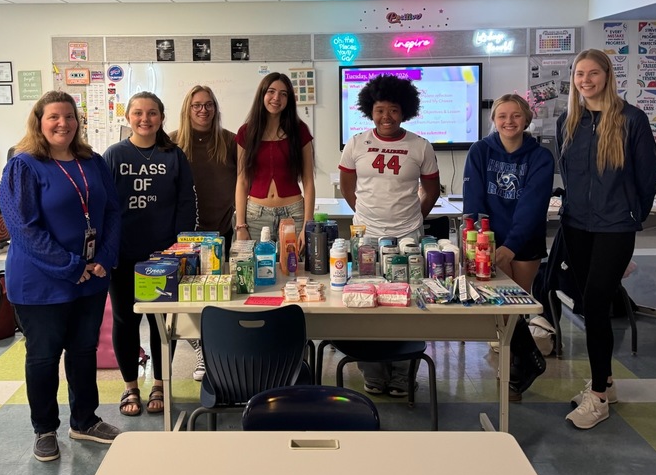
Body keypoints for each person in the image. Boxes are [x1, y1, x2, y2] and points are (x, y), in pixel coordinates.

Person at [0, 91, 122, 463]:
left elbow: (113, 212)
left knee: (84, 350)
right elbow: (23, 228)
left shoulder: (93, 162)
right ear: (39, 121)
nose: (63, 124)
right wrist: (72, 265)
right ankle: (45, 429)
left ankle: (85, 419)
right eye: (54, 117)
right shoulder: (24, 166)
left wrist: (103, 257)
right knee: (43, 355)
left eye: (69, 117)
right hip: (41, 281)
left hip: (92, 276)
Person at [558, 49, 656, 430]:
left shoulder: (632, 119)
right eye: (580, 74)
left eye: (593, 73)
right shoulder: (570, 121)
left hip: (615, 227)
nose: (586, 80)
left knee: (599, 300)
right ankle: (607, 382)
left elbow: (649, 176)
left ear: (607, 75)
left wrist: (634, 214)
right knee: (587, 304)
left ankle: (598, 396)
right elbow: (569, 176)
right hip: (577, 226)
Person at [338, 74, 440, 396]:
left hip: (407, 237)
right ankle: (373, 372)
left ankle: (402, 373)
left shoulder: (420, 146)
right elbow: (347, 187)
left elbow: (432, 190)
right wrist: (368, 217)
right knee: (367, 304)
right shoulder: (355, 144)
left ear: (404, 111)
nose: (386, 117)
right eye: (380, 110)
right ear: (371, 110)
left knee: (406, 306)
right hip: (366, 238)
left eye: (393, 110)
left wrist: (411, 220)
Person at [104, 92, 197, 416]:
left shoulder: (174, 155)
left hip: (163, 258)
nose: (146, 119)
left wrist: (181, 249)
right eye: (139, 113)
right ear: (128, 117)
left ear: (161, 117)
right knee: (124, 321)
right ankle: (130, 387)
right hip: (123, 255)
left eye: (153, 113)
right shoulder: (114, 155)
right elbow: (103, 207)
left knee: (161, 322)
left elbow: (186, 202)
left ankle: (160, 382)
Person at [463, 93, 555, 397]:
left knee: (516, 307)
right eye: (502, 116)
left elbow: (532, 206)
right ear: (494, 120)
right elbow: (473, 200)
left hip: (524, 243)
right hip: (488, 241)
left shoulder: (540, 157)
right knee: (497, 308)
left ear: (526, 119)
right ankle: (527, 363)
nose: (509, 121)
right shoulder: (480, 151)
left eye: (516, 115)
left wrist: (511, 247)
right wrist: (484, 243)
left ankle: (517, 366)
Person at [170, 85, 237, 382]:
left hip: (222, 232)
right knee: (186, 300)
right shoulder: (172, 143)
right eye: (197, 105)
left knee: (220, 298)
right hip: (184, 238)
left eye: (209, 105)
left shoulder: (230, 141)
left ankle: (223, 352)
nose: (203, 110)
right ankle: (201, 349)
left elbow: (244, 182)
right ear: (188, 109)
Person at [235, 73, 315, 248]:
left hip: (294, 215)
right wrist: (240, 225)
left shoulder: (299, 131)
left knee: (295, 270)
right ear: (262, 95)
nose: (276, 98)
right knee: (257, 270)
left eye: (283, 94)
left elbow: (308, 181)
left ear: (289, 99)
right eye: (271, 91)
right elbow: (242, 180)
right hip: (256, 216)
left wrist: (308, 225)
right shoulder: (246, 133)